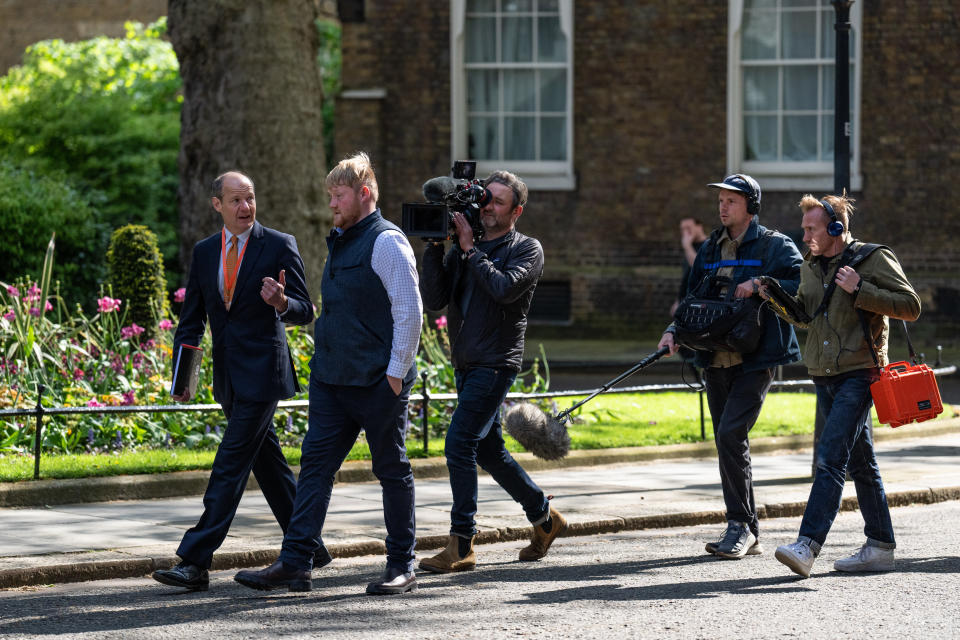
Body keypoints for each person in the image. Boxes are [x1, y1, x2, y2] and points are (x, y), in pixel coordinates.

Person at [234, 152, 422, 595]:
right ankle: (296, 562)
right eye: (330, 196)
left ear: (364, 194)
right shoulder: (340, 238)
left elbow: (410, 312)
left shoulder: (387, 242)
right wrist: (283, 303)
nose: (332, 204)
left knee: (391, 469)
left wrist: (395, 374)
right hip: (333, 380)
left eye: (338, 196)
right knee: (315, 470)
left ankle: (402, 565)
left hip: (379, 381)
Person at [153, 171, 327, 591]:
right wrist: (182, 375)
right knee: (268, 465)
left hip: (265, 373)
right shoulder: (206, 251)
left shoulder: (279, 244)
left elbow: (306, 309)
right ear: (217, 205)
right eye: (235, 200)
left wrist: (282, 302)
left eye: (249, 198)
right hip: (227, 377)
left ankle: (194, 560)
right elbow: (190, 320)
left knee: (230, 463)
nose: (245, 207)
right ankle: (310, 547)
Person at [418, 170, 567, 574]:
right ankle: (545, 519)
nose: (487, 208)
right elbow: (434, 299)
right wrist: (436, 248)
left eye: (498, 202)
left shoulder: (527, 249)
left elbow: (503, 289)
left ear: (516, 211)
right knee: (489, 450)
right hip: (467, 362)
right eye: (486, 200)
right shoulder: (469, 247)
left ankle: (461, 544)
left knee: (459, 443)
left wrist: (469, 250)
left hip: (496, 362)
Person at [765, 193, 920, 578]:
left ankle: (808, 545)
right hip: (824, 374)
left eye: (811, 229)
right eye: (803, 229)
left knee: (830, 457)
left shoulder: (872, 258)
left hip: (860, 371)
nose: (804, 237)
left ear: (836, 228)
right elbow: (806, 317)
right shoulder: (811, 266)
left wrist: (860, 289)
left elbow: (910, 305)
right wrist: (773, 298)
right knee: (861, 463)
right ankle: (881, 546)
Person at [657, 174, 802, 559]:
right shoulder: (709, 248)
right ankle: (747, 528)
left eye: (731, 201)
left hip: (757, 359)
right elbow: (691, 297)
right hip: (714, 357)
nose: (722, 207)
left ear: (751, 206)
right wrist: (673, 331)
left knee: (730, 434)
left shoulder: (774, 245)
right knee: (728, 441)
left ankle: (738, 526)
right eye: (720, 200)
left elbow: (804, 282)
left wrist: (762, 283)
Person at [669, 216, 708, 318]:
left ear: (699, 227)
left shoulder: (709, 245)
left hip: (700, 302)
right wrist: (678, 300)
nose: (685, 232)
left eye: (688, 228)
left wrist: (686, 245)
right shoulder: (690, 247)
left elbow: (698, 267)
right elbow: (686, 276)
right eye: (682, 229)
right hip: (685, 300)